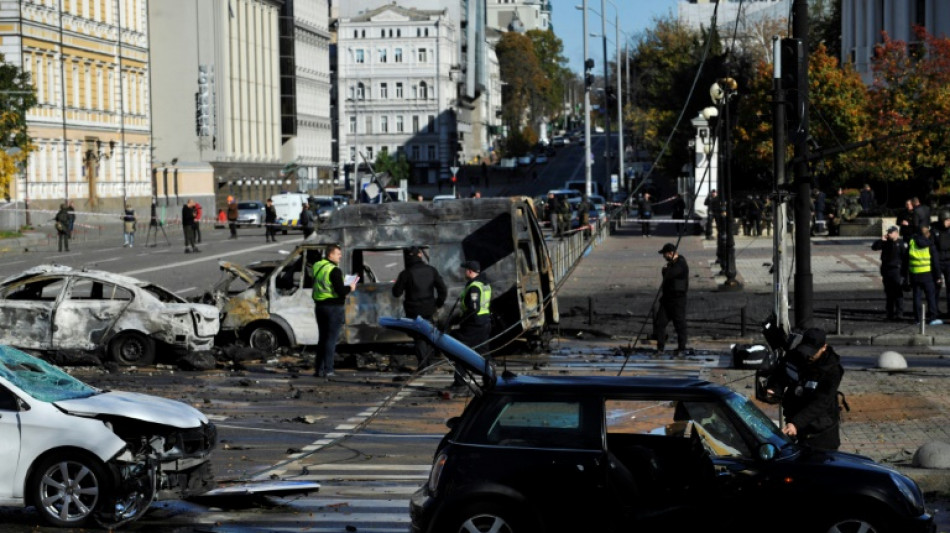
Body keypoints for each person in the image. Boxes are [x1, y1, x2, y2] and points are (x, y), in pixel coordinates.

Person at [766, 328, 844, 450]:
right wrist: (774, 389)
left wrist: (797, 424)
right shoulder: (795, 356)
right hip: (795, 421)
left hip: (821, 429)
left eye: (813, 352)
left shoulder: (832, 369)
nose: (808, 355)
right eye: (806, 350)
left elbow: (821, 402)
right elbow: (780, 375)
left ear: (824, 347)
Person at [392, 246, 447, 367]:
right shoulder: (431, 270)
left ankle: (424, 364)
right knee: (428, 333)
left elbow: (396, 293)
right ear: (420, 255)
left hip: (413, 310)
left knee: (419, 337)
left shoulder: (406, 273)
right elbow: (443, 289)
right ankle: (429, 361)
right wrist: (438, 303)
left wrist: (399, 283)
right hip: (429, 308)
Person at [312, 244, 358, 378]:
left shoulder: (318, 266)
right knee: (331, 340)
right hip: (333, 307)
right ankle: (329, 370)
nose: (340, 256)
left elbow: (324, 283)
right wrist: (351, 287)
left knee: (322, 338)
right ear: (330, 255)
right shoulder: (334, 270)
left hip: (319, 306)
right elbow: (341, 292)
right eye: (338, 254)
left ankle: (318, 369)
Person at [451, 260, 491, 388]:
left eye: (465, 270)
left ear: (469, 271)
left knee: (461, 350)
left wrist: (461, 322)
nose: (464, 272)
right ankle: (490, 379)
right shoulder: (484, 283)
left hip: (474, 324)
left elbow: (474, 308)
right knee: (484, 352)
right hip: (484, 322)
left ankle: (459, 380)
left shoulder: (474, 287)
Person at [653, 242, 688, 354]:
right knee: (660, 323)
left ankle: (681, 348)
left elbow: (670, 274)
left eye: (665, 254)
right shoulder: (672, 263)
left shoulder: (681, 263)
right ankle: (660, 347)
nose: (664, 257)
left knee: (679, 325)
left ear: (670, 253)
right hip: (666, 300)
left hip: (677, 300)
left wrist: (665, 270)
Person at [907, 225, 942, 325]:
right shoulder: (930, 245)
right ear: (928, 234)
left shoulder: (912, 242)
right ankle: (932, 318)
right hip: (927, 275)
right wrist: (938, 276)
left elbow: (906, 259)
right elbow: (935, 263)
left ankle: (917, 319)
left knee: (917, 297)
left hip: (914, 274)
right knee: (931, 297)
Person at [872, 225, 907, 320]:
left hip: (896, 270)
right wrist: (881, 240)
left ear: (896, 233)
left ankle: (899, 313)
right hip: (886, 270)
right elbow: (874, 247)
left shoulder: (901, 243)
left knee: (898, 292)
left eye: (890, 233)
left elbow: (905, 259)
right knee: (889, 293)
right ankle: (889, 313)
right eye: (888, 232)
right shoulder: (886, 242)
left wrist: (904, 273)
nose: (888, 234)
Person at [934, 211, 950, 317]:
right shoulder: (934, 229)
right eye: (947, 220)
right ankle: (934, 310)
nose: (949, 222)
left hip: (949, 261)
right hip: (938, 261)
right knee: (936, 286)